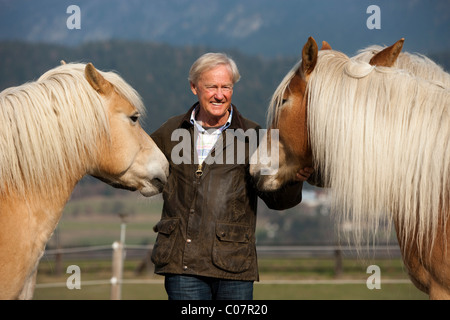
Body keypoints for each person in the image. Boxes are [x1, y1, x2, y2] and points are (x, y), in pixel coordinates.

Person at [150, 52, 313, 300]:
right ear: (194, 87)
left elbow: (279, 201)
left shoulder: (255, 136)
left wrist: (294, 179)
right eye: (212, 86)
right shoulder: (171, 131)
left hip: (234, 266)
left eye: (226, 86)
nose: (220, 94)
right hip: (182, 265)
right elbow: (140, 172)